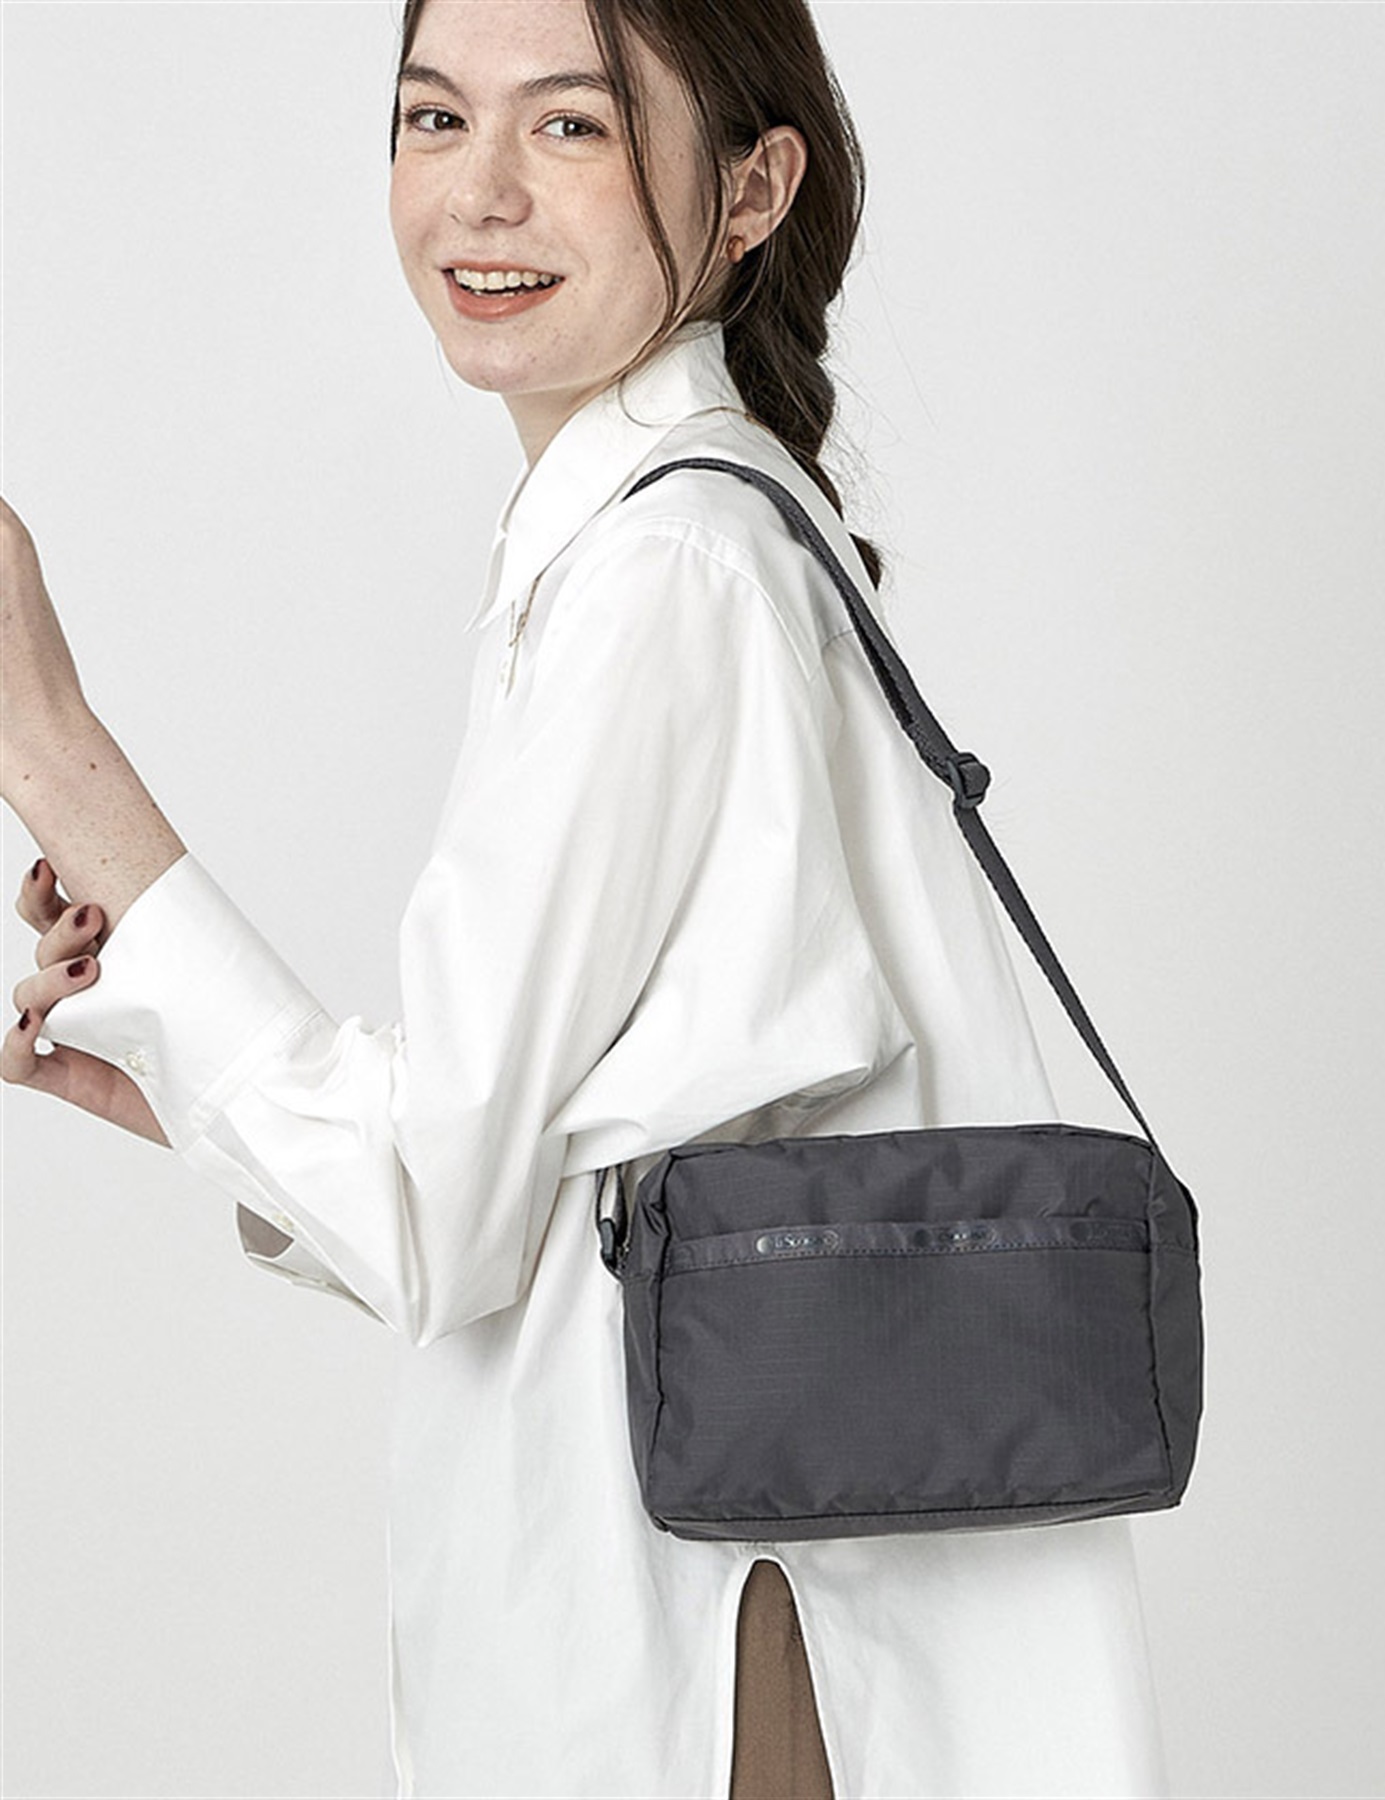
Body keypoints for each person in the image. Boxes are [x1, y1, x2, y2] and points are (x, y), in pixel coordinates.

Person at [1, 1, 1169, 1794]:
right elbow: (571, 1186)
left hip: (710, 1636)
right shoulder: (684, 531)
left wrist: (49, 746)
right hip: (741, 1603)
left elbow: (431, 1208)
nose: (480, 194)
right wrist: (186, 1081)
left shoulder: (665, 574)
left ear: (753, 189)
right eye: (432, 117)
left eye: (572, 126)